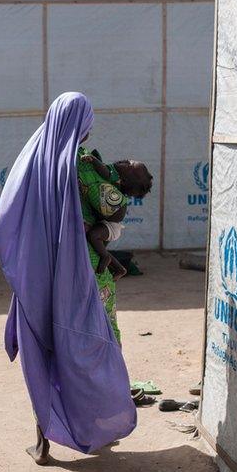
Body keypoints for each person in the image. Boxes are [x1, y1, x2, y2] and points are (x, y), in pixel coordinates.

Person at [0, 92, 136, 466]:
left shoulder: (30, 163)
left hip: (38, 277)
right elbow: (115, 206)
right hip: (84, 275)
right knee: (93, 347)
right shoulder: (83, 166)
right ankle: (100, 424)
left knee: (44, 353)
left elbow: (5, 217)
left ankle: (42, 441)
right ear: (83, 126)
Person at [77, 147, 153, 343]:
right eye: (129, 161)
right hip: (108, 225)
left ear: (124, 180)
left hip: (111, 227)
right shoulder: (111, 174)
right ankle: (118, 268)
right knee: (95, 236)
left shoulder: (110, 175)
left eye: (130, 167)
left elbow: (101, 172)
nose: (126, 162)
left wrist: (93, 161)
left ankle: (105, 258)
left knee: (94, 236)